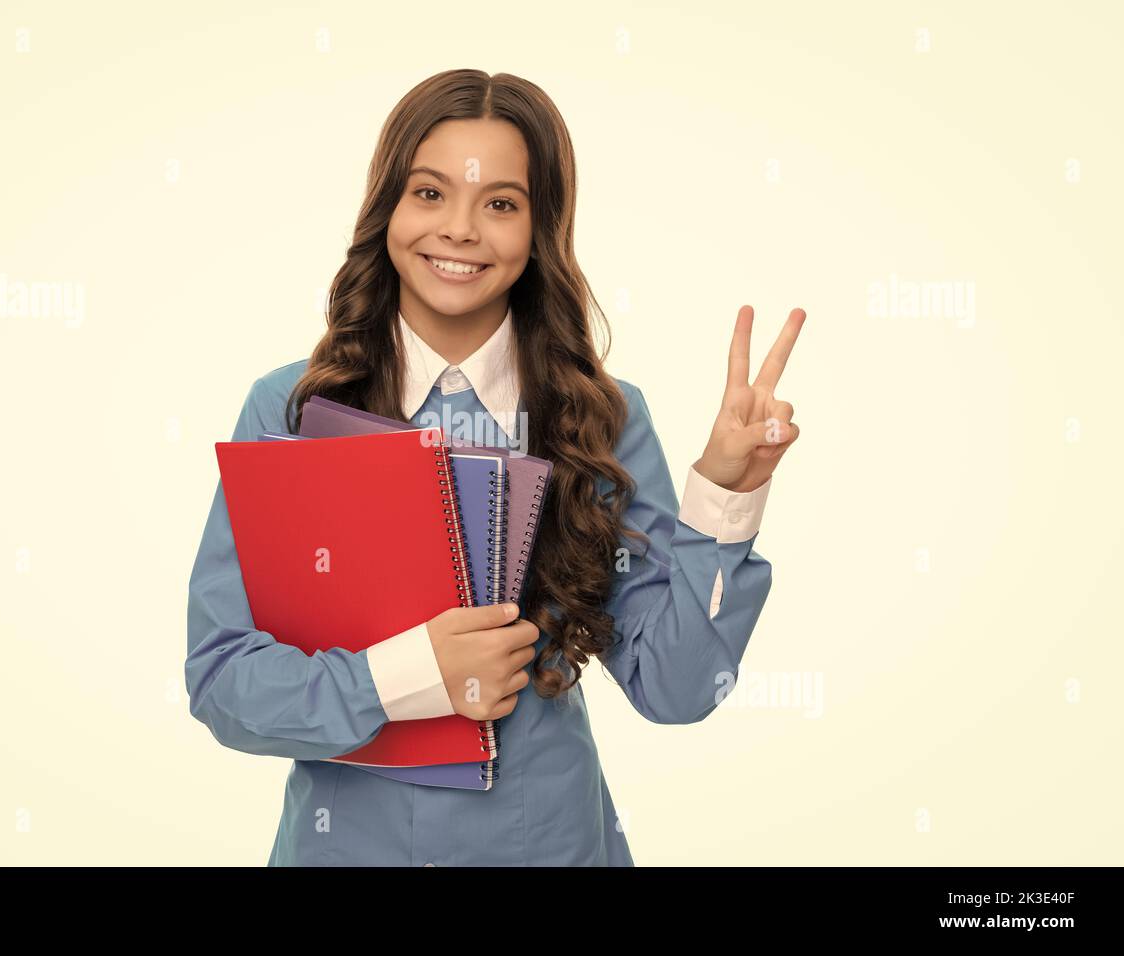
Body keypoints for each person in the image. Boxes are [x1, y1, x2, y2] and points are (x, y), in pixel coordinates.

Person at [185, 69, 805, 866]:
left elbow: (677, 690)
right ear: (388, 208)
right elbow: (225, 684)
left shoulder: (601, 419)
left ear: (541, 227)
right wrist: (412, 674)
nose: (462, 230)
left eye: (502, 203)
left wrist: (726, 495)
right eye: (430, 193)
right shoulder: (292, 410)